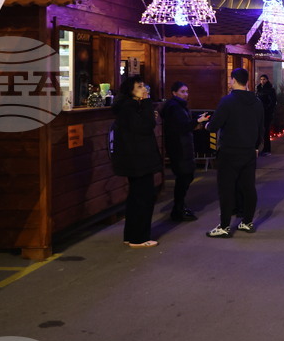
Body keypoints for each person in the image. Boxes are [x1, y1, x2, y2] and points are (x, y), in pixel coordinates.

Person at [204, 67, 265, 237]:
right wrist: (255, 147)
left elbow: (214, 126)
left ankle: (224, 226)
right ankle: (247, 222)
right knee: (248, 187)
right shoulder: (257, 102)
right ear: (247, 82)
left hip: (229, 151)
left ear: (233, 80)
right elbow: (261, 127)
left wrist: (206, 124)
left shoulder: (227, 101)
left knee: (226, 188)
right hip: (249, 151)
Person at [111, 75, 163, 248]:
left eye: (144, 85)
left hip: (135, 160)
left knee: (136, 197)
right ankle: (139, 238)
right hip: (138, 161)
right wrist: (148, 105)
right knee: (143, 198)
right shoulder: (130, 108)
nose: (144, 89)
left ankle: (131, 236)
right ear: (130, 91)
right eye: (139, 86)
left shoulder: (128, 107)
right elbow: (146, 127)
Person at [160, 81, 207, 222]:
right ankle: (178, 209)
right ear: (174, 93)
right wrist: (197, 121)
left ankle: (179, 206)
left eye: (187, 91)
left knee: (186, 176)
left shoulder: (179, 106)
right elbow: (181, 127)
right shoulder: (174, 107)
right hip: (179, 148)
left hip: (183, 146)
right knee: (184, 177)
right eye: (182, 91)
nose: (186, 94)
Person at [256, 74, 277, 155]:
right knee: (259, 131)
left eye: (264, 79)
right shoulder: (259, 89)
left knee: (266, 131)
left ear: (267, 80)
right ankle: (259, 149)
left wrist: (267, 109)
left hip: (266, 113)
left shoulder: (270, 90)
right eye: (261, 79)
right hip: (259, 113)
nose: (262, 81)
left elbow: (272, 102)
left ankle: (267, 149)